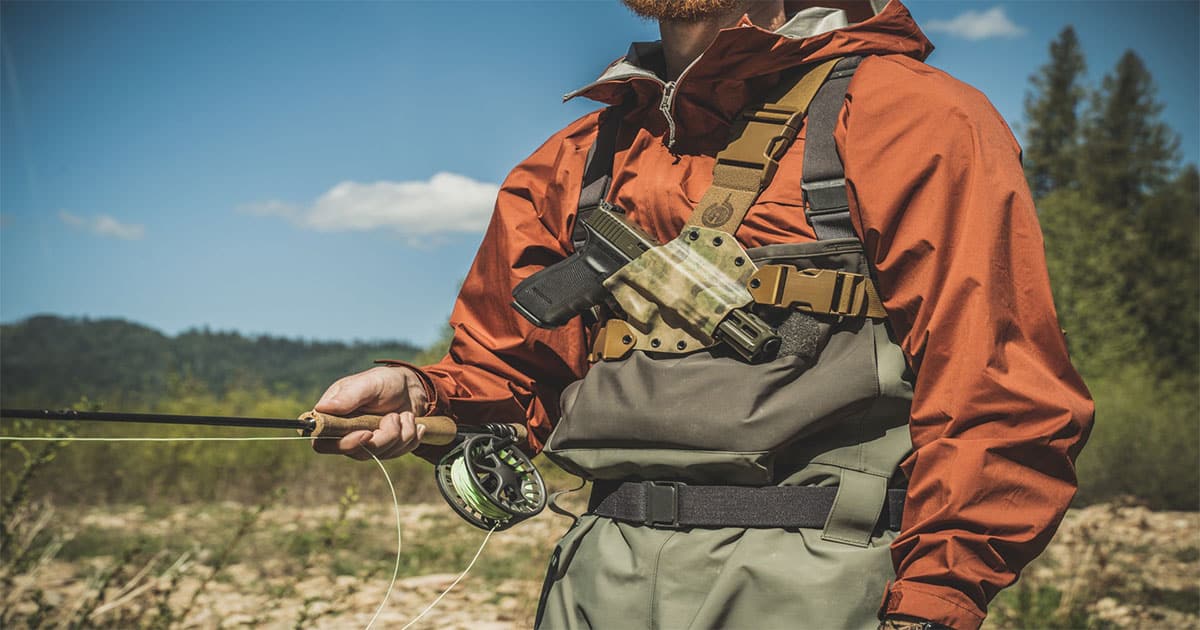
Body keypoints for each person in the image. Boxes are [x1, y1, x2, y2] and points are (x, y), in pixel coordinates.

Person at [311, 1, 1095, 628]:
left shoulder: (915, 119)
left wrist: (932, 606)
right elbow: (512, 376)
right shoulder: (570, 159)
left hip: (822, 583)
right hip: (593, 576)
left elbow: (999, 398)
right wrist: (426, 395)